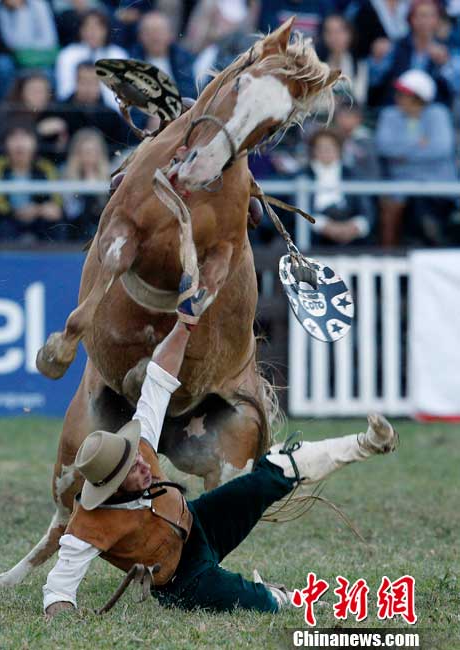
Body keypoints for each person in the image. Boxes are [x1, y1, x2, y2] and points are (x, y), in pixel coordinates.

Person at [42, 277, 398, 617]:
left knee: (274, 470)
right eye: (133, 470)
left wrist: (184, 325)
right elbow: (58, 590)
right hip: (183, 581)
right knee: (258, 602)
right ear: (112, 486)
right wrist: (62, 613)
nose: (144, 464)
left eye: (137, 456)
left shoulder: (141, 446)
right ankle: (285, 598)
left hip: (199, 522)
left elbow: (159, 378)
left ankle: (368, 444)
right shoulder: (87, 527)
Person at [375, 68, 457, 246]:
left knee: (423, 209)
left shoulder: (438, 113)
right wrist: (419, 144)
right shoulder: (389, 114)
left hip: (436, 186)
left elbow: (441, 148)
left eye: (405, 94)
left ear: (419, 98)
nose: (398, 97)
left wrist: (403, 154)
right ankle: (388, 256)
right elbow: (384, 146)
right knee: (390, 207)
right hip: (401, 186)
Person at [368, 0, 460, 107]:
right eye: (421, 16)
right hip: (397, 107)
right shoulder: (396, 47)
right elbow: (374, 80)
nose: (425, 21)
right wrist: (377, 59)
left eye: (431, 16)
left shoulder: (448, 48)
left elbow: (457, 86)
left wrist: (445, 64)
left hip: (432, 109)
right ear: (411, 19)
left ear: (437, 20)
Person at [0, 124, 64, 241]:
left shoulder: (46, 167)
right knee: (2, 228)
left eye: (25, 137)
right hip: (8, 219)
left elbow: (57, 201)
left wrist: (38, 210)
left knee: (57, 227)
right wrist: (17, 212)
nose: (20, 144)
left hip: (38, 218)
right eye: (14, 137)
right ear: (6, 143)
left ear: (34, 143)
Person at [300, 129, 375, 247]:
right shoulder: (303, 175)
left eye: (330, 147)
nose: (326, 152)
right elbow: (299, 210)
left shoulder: (352, 173)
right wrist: (323, 226)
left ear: (339, 150)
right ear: (313, 151)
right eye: (321, 148)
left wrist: (354, 227)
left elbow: (366, 209)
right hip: (316, 228)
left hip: (348, 220)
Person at [53, 61, 131, 155]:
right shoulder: (59, 111)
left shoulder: (111, 116)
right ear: (75, 82)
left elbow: (122, 147)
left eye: (93, 82)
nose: (88, 88)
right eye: (83, 82)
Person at [55, 9, 127, 107]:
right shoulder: (67, 54)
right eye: (87, 26)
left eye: (98, 27)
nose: (92, 31)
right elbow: (65, 91)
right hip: (75, 110)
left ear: (106, 29)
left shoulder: (118, 55)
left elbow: (122, 94)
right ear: (80, 29)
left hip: (110, 113)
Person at [131, 11, 196, 100]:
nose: (155, 37)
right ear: (140, 36)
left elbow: (190, 92)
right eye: (149, 32)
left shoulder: (182, 58)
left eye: (159, 31)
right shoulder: (132, 60)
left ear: (170, 35)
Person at [62, 128, 111, 240]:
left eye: (93, 151)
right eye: (85, 152)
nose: (89, 156)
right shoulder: (66, 176)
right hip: (75, 234)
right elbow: (70, 211)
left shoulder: (109, 176)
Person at [318, 15, 368, 105]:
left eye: (339, 31)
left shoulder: (359, 65)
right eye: (329, 32)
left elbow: (360, 99)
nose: (335, 37)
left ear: (350, 34)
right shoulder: (316, 65)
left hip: (349, 116)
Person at [0, 0, 59, 69]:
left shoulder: (39, 4)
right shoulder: (0, 9)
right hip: (17, 60)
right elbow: (11, 42)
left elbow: (50, 40)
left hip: (43, 57)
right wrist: (19, 10)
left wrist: (29, 48)